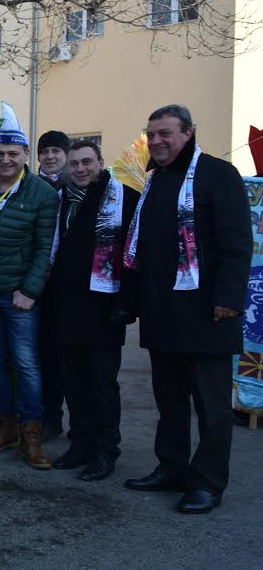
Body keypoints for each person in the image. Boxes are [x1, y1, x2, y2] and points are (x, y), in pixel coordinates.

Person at [121, 105, 251, 514]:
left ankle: (208, 483)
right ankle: (171, 468)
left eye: (166, 134)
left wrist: (228, 299)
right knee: (170, 401)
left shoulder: (217, 174)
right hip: (165, 315)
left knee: (212, 408)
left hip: (209, 315)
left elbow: (236, 243)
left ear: (189, 133)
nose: (157, 141)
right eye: (151, 133)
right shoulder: (155, 181)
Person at [0, 103, 58, 470]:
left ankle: (31, 434)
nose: (5, 160)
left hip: (19, 295)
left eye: (13, 154)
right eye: (0, 153)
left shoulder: (41, 194)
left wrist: (30, 291)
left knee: (26, 364)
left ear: (24, 155)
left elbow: (44, 248)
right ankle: (4, 427)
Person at [44, 140, 139, 481]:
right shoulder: (59, 198)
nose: (81, 169)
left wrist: (127, 303)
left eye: (87, 162)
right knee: (72, 381)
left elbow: (133, 255)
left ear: (100, 162)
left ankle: (104, 450)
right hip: (65, 306)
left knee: (101, 384)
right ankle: (80, 442)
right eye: (74, 164)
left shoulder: (124, 199)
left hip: (103, 308)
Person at [36, 130, 70, 441]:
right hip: (32, 283)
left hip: (65, 285)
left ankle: (56, 415)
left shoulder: (75, 187)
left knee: (61, 356)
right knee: (35, 354)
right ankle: (39, 415)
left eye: (56, 151)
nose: (50, 156)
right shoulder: (28, 186)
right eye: (44, 151)